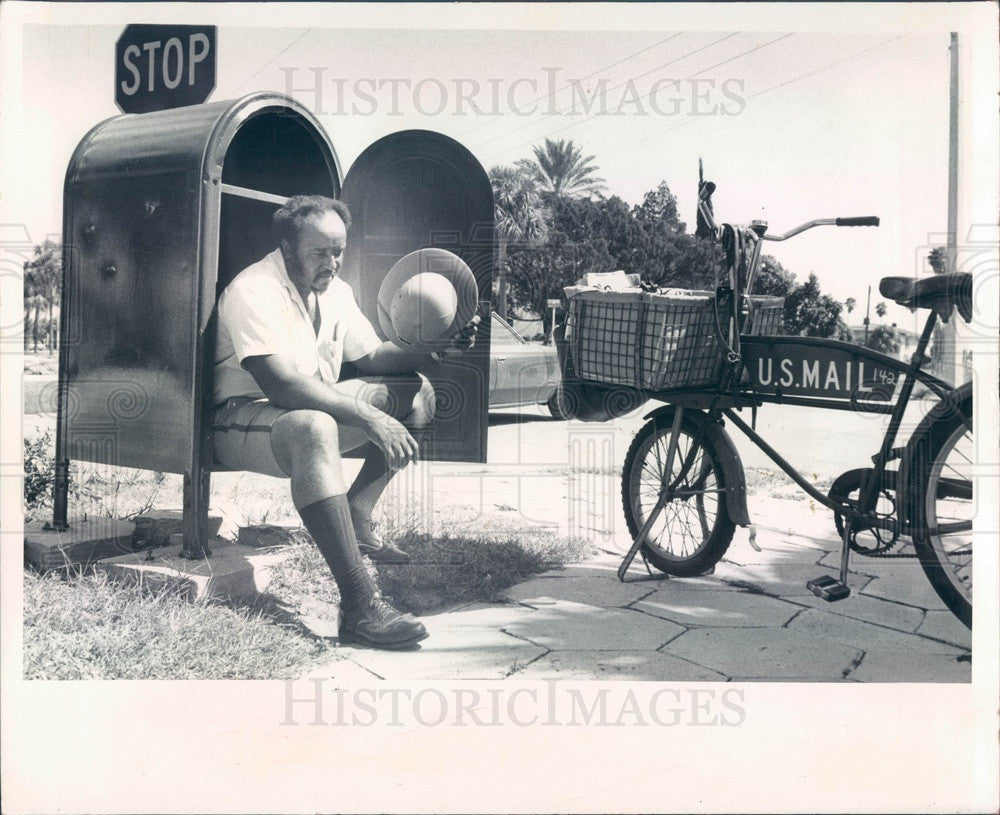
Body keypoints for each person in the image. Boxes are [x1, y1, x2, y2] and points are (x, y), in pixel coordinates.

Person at [212, 195, 478, 649]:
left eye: (339, 251)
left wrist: (437, 345)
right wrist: (368, 416)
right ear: (288, 247)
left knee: (418, 395)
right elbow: (278, 384)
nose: (332, 262)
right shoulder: (253, 288)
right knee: (316, 427)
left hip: (301, 410)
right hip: (235, 418)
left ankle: (356, 515)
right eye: (320, 252)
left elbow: (372, 355)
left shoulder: (335, 291)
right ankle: (359, 606)